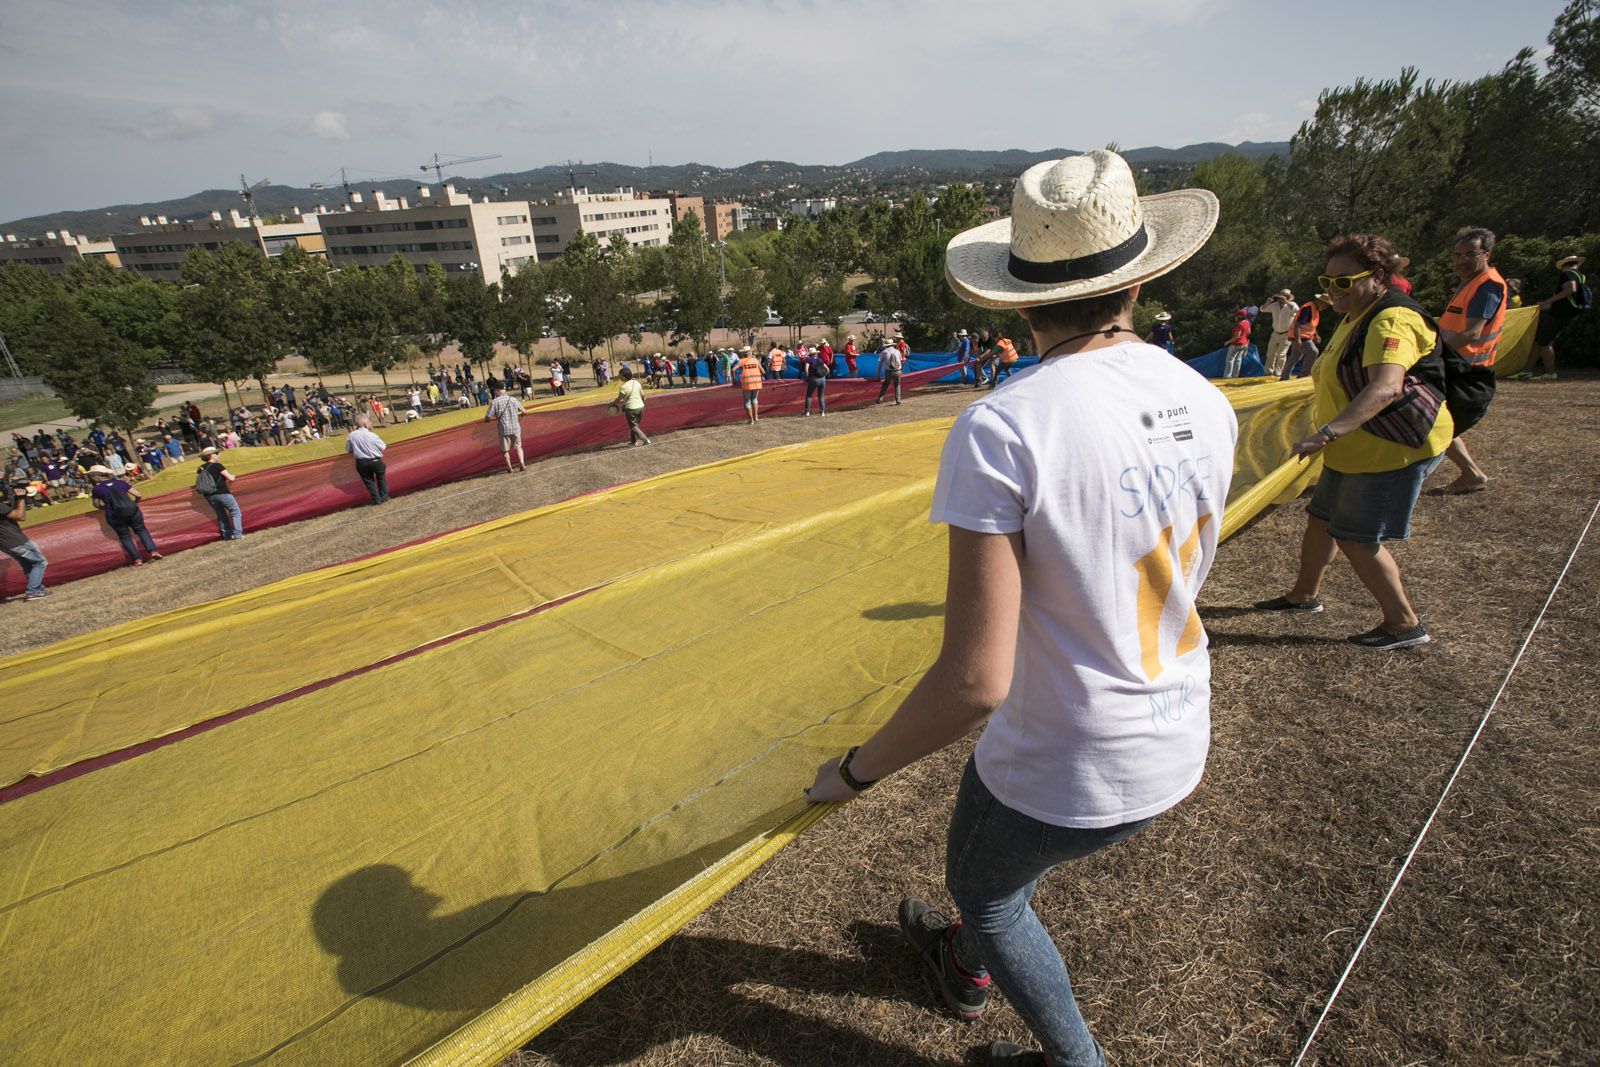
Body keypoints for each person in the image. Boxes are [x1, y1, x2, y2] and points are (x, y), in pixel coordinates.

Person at [806, 149, 1234, 1067]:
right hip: (1180, 725)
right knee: (997, 883)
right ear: (1137, 272)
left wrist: (852, 773)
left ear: (1017, 291)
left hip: (1068, 755)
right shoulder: (1204, 395)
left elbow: (974, 681)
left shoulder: (1005, 424)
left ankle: (1071, 1056)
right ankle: (965, 960)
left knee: (988, 888)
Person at [1254, 232, 1452, 650]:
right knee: (1322, 519)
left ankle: (1404, 624)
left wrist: (1326, 433)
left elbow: (1385, 388)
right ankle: (1303, 596)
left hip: (1389, 449)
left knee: (1356, 537)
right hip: (1351, 447)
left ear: (1378, 276)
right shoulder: (1357, 314)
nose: (1333, 291)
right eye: (1327, 282)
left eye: (1344, 281)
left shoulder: (1391, 319)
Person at [1434, 226, 1507, 495]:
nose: (1461, 260)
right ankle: (1471, 474)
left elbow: (1472, 332)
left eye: (1469, 254)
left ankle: (1471, 473)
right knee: (1437, 421)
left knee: (1436, 422)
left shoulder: (1487, 286)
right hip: (1456, 366)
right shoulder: (1471, 282)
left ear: (1486, 254)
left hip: (1467, 370)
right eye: (1457, 255)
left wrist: (1431, 353)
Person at [1516, 253, 1589, 382]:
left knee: (1545, 343)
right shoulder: (1580, 277)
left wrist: (1546, 301)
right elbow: (1567, 299)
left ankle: (1550, 372)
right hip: (1562, 313)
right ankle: (1526, 371)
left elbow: (1570, 289)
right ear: (1577, 264)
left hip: (1559, 315)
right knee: (1539, 342)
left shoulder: (1568, 274)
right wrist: (1542, 306)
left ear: (1563, 266)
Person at [88, 464, 162, 565]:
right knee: (141, 530)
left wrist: (104, 507)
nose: (91, 478)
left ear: (98, 475)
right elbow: (138, 494)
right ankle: (153, 551)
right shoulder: (121, 483)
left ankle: (137, 559)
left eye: (92, 476)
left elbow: (96, 504)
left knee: (125, 537)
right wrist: (135, 502)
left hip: (114, 515)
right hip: (132, 510)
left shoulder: (97, 489)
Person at [3, 482, 50, 600]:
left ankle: (38, 589)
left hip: (4, 542)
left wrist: (16, 499)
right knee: (40, 562)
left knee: (28, 564)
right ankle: (33, 591)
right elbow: (20, 516)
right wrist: (21, 498)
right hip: (14, 539)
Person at [195, 446, 243, 540]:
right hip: (222, 492)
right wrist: (233, 476)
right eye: (216, 453)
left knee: (221, 515)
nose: (218, 455)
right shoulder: (217, 466)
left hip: (209, 495)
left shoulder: (200, 468)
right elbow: (230, 478)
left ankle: (227, 535)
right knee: (235, 512)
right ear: (210, 456)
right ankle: (237, 534)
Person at [345, 415, 390, 505]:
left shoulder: (351, 435)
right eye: (369, 422)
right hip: (375, 460)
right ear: (365, 424)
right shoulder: (371, 435)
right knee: (381, 478)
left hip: (361, 462)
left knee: (368, 481)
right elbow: (383, 446)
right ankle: (384, 497)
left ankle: (376, 500)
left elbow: (348, 449)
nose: (370, 424)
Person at [483, 386, 527, 473]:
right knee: (518, 446)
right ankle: (522, 463)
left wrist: (486, 420)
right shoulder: (513, 399)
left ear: (498, 391)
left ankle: (510, 468)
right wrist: (521, 414)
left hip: (503, 429)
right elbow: (524, 411)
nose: (494, 392)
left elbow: (488, 416)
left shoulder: (495, 402)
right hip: (515, 427)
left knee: (505, 450)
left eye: (495, 390)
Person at [1283, 293, 1326, 379]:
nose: (1326, 307)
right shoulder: (1308, 308)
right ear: (1321, 302)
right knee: (1313, 352)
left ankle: (1284, 376)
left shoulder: (1314, 308)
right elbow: (1298, 324)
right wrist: (1298, 338)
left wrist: (1316, 335)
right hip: (1300, 337)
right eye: (1326, 305)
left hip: (1298, 336)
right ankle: (1303, 375)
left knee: (1295, 356)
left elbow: (1310, 325)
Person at [608, 365, 651, 446]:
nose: (619, 377)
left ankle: (645, 440)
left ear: (624, 376)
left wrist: (612, 403)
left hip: (631, 409)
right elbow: (643, 396)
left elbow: (619, 399)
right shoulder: (637, 382)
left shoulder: (623, 387)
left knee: (633, 427)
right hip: (641, 407)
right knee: (635, 426)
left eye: (620, 375)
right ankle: (633, 442)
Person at [1263, 290, 1300, 377]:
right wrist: (1267, 302)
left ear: (1287, 297)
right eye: (1280, 296)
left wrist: (1286, 301)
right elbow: (1263, 309)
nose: (1281, 298)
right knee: (1270, 354)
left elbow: (1297, 310)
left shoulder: (1292, 305)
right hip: (1275, 333)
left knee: (1281, 354)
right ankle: (1268, 372)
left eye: (1284, 296)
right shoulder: (1274, 305)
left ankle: (1278, 373)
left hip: (1286, 334)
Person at [737, 345, 765, 424]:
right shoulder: (756, 360)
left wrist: (735, 380)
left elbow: (733, 369)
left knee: (747, 401)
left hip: (746, 384)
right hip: (757, 383)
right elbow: (763, 371)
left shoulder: (741, 361)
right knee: (755, 399)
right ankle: (756, 416)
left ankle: (751, 419)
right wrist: (758, 376)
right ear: (750, 352)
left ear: (743, 353)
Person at [1223, 308, 1252, 378]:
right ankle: (1235, 376)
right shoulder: (1247, 322)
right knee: (1238, 360)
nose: (1235, 317)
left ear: (1240, 317)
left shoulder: (1239, 325)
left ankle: (1227, 376)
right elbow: (1249, 332)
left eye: (1236, 316)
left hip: (1236, 344)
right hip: (1244, 344)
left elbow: (1236, 336)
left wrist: (1228, 342)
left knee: (1230, 360)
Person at [803, 343, 829, 416]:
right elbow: (828, 369)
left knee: (809, 395)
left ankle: (807, 412)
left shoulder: (808, 360)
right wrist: (824, 376)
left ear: (810, 353)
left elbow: (806, 370)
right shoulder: (820, 359)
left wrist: (806, 377)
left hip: (813, 379)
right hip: (822, 379)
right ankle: (822, 412)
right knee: (821, 395)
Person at [876, 339, 904, 404]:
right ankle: (898, 400)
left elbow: (879, 364)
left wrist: (878, 375)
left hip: (888, 371)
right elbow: (901, 361)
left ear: (886, 345)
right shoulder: (897, 351)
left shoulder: (884, 352)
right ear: (892, 345)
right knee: (897, 385)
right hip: (898, 371)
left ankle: (880, 399)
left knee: (885, 384)